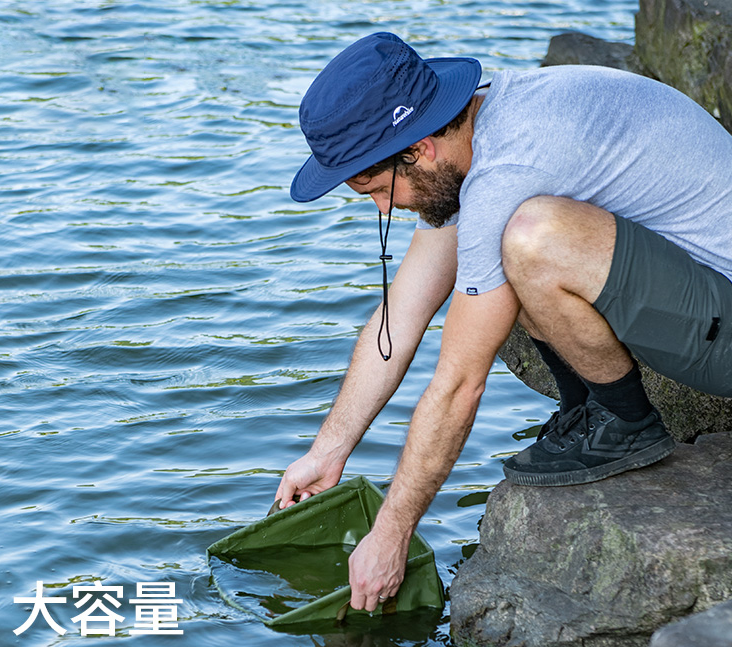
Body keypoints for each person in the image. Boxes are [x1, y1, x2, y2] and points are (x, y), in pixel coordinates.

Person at [274, 32, 732, 613]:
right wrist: (328, 452)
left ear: (420, 149)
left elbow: (460, 383)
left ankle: (624, 425)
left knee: (531, 239)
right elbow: (401, 315)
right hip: (706, 294)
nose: (384, 210)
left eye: (374, 188)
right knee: (498, 253)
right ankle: (586, 411)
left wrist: (391, 535)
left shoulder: (507, 169)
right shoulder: (479, 131)